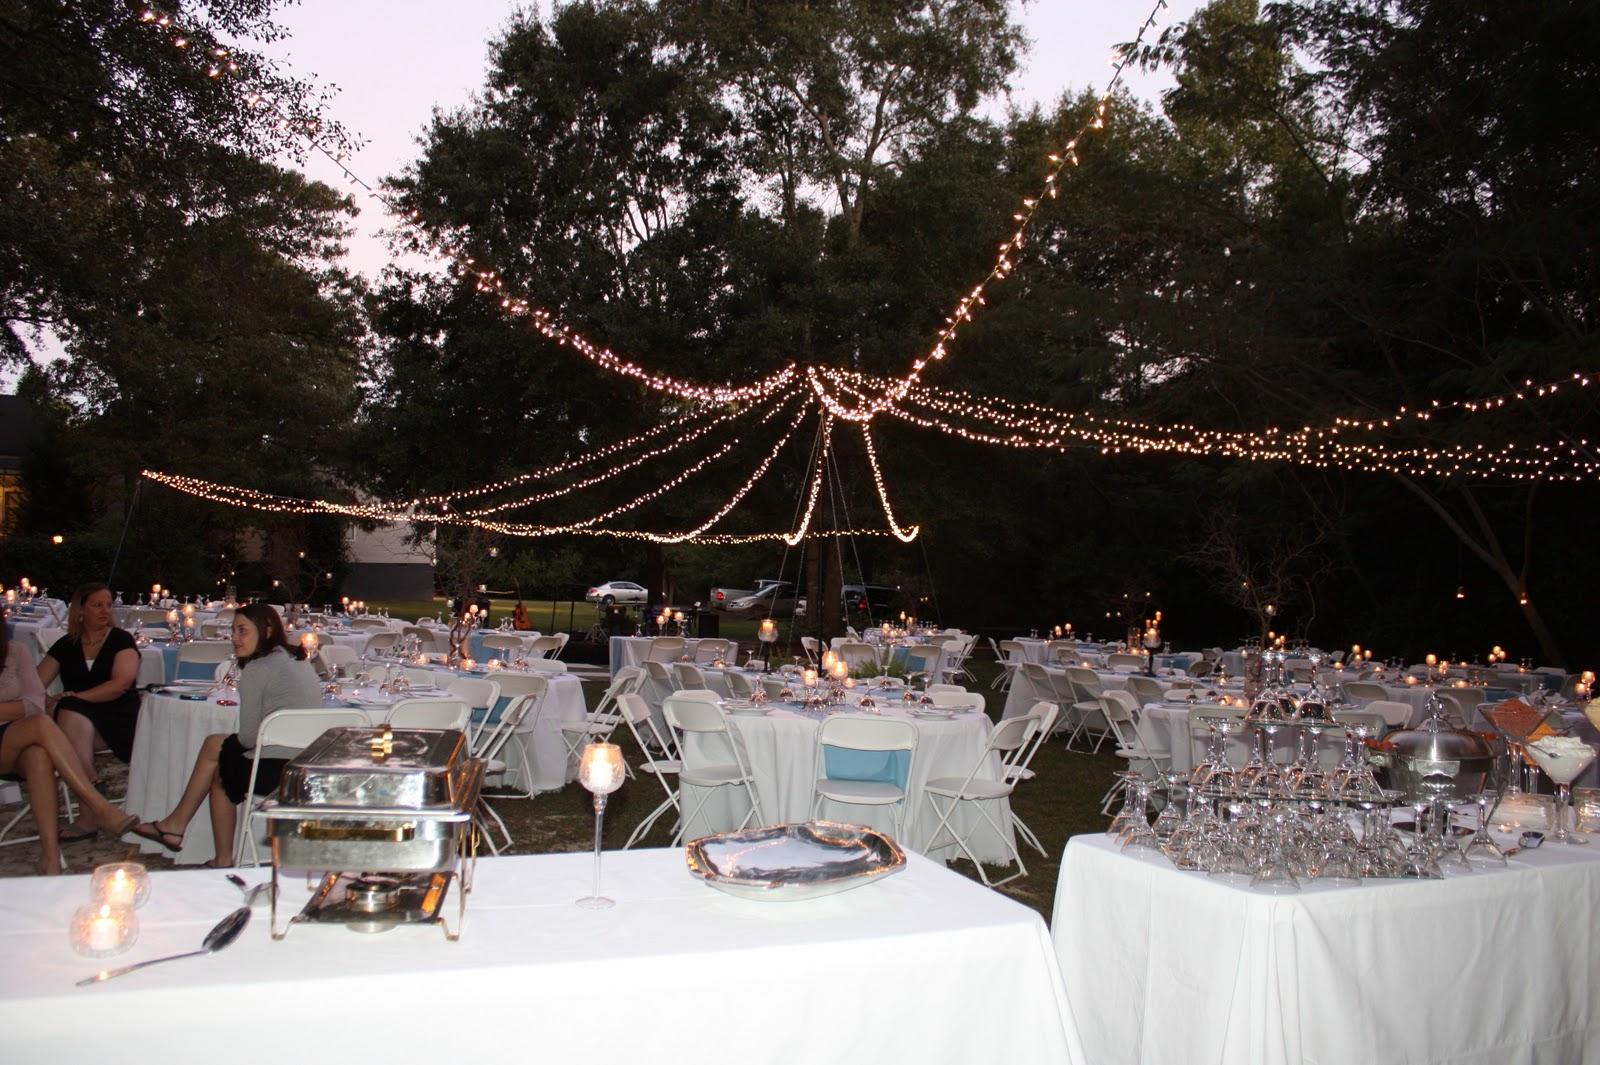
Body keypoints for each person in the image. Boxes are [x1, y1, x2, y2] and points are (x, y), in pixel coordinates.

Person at [133, 602, 322, 866]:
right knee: (220, 752)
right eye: (233, 630)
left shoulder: (258, 668)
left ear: (266, 631)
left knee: (222, 762)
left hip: (280, 773)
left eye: (242, 630)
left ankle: (200, 843)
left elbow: (247, 738)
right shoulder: (301, 661)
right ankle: (178, 828)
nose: (234, 638)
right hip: (310, 768)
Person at [0, 617, 138, 874]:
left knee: (38, 755)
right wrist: (14, 709)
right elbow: (30, 709)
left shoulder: (15, 650)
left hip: (12, 738)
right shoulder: (67, 644)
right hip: (15, 732)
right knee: (41, 725)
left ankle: (50, 858)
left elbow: (34, 702)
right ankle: (97, 806)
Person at [37, 582, 141, 789]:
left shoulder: (121, 639)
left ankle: (86, 788)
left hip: (118, 717)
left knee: (68, 709)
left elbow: (119, 685)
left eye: (108, 605)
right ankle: (90, 782)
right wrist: (49, 700)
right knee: (68, 712)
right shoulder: (67, 644)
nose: (105, 611)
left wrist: (73, 698)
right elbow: (34, 684)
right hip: (77, 723)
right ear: (81, 609)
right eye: (97, 605)